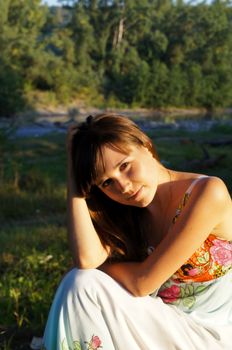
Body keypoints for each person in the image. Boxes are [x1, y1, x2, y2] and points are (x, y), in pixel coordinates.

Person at [42, 113, 232, 350]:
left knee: (84, 282)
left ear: (146, 146)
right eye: (107, 183)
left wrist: (102, 270)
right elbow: (86, 259)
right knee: (80, 281)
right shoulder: (126, 213)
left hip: (211, 337)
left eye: (125, 166)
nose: (123, 186)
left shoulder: (207, 192)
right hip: (159, 327)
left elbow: (143, 282)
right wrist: (73, 173)